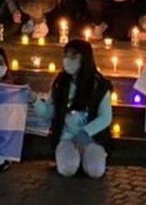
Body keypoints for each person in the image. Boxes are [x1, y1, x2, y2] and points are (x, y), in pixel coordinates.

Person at [32, 39, 112, 178]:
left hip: (92, 139)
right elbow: (49, 112)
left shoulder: (99, 85)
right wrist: (35, 101)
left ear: (84, 59)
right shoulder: (60, 83)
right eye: (66, 56)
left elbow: (105, 117)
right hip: (66, 138)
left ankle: (90, 158)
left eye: (73, 57)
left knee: (95, 171)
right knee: (67, 169)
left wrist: (85, 133)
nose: (68, 60)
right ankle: (71, 158)